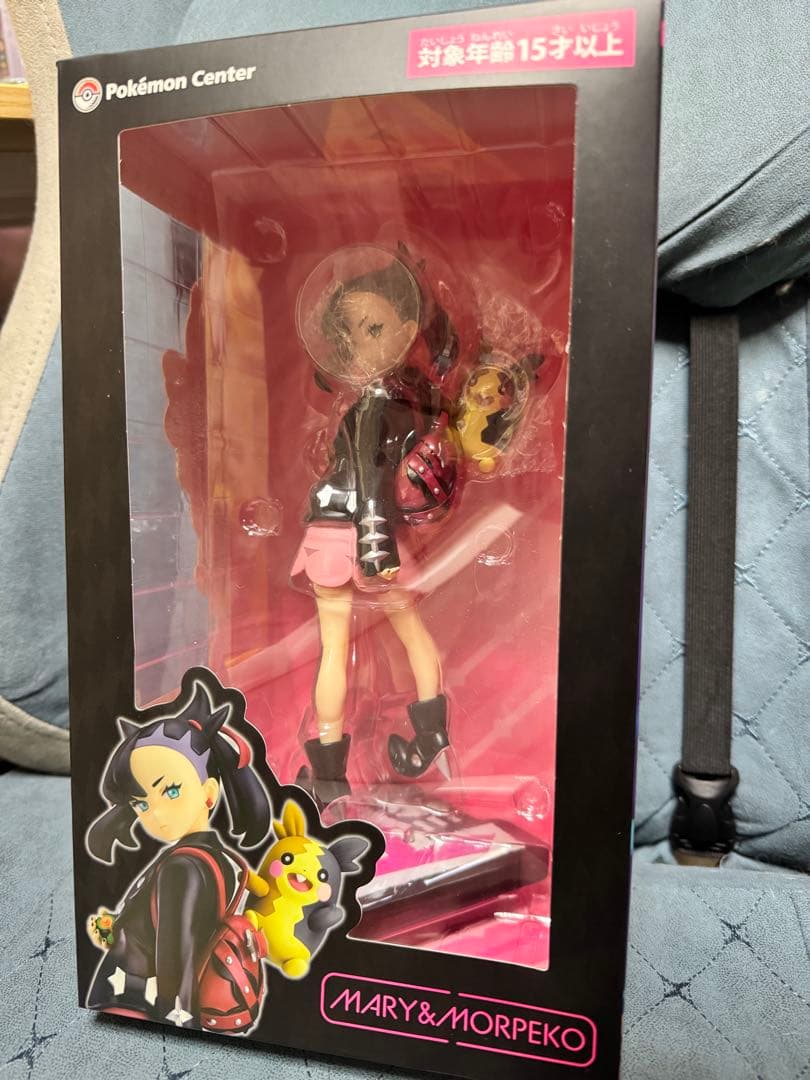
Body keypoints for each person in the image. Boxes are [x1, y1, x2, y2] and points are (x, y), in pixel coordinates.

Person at [84, 676, 272, 1029]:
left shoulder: (182, 867)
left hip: (135, 1003)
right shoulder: (223, 859)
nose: (155, 813)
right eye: (141, 803)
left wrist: (179, 1020)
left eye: (170, 791)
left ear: (209, 793)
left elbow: (177, 956)